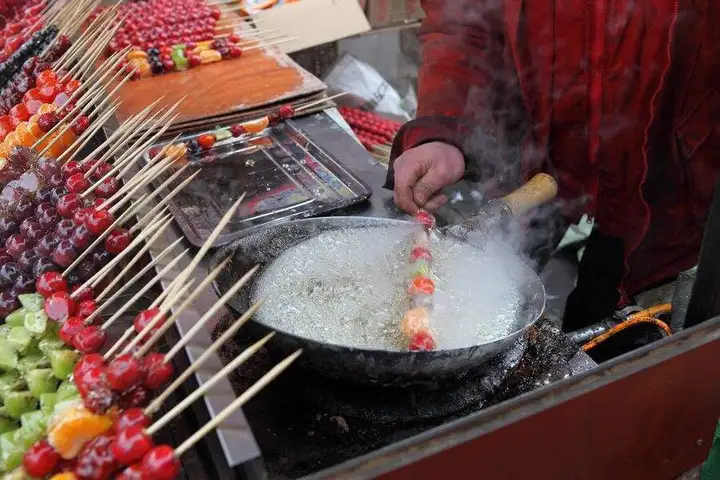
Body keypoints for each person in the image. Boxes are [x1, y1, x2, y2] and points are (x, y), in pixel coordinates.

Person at [385, 0, 720, 332]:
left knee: (607, 335)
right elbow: (463, 19)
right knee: (462, 302)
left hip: (671, 189)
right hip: (531, 153)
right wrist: (443, 129)